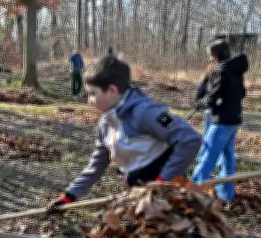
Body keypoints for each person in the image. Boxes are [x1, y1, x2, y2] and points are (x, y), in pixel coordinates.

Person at [47, 54, 202, 211]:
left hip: (169, 195)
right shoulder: (105, 125)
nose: (89, 100)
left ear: (112, 90)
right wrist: (69, 196)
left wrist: (162, 181)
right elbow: (96, 165)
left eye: (92, 94)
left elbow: (190, 140)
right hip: (139, 194)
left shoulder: (145, 112)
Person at [191, 39, 249, 201]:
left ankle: (194, 194)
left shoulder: (221, 71)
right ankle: (226, 194)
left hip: (222, 121)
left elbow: (210, 99)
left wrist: (199, 102)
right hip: (234, 119)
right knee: (227, 157)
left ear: (216, 55)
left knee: (207, 156)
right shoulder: (236, 69)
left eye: (210, 56)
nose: (209, 59)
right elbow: (242, 93)